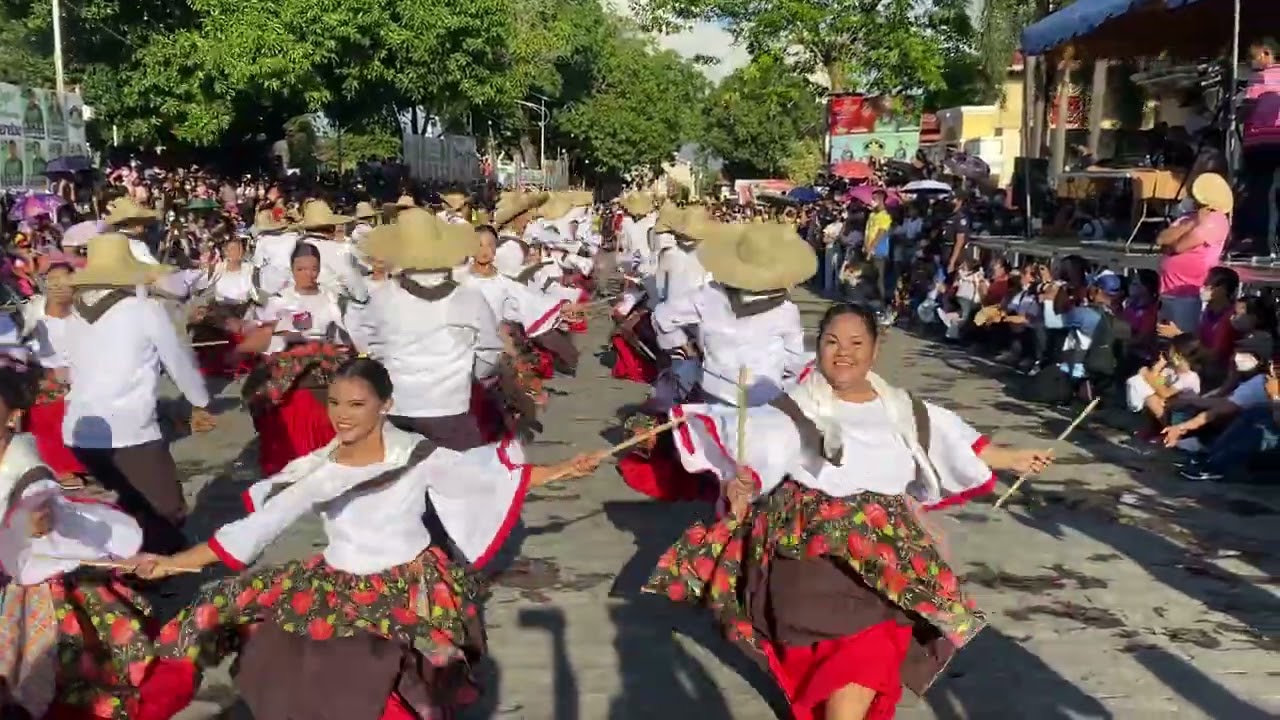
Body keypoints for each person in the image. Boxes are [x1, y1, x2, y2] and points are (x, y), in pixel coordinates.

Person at [123, 357, 603, 720]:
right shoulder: (320, 469)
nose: (342, 415)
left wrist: (565, 468)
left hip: (412, 584)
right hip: (341, 583)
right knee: (243, 629)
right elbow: (254, 530)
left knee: (401, 686)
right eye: (334, 403)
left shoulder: (417, 452)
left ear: (385, 405)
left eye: (357, 404)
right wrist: (171, 563)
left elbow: (484, 476)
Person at [646, 303, 1053, 720]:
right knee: (848, 661)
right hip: (813, 561)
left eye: (856, 343)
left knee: (868, 656)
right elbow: (756, 450)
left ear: (875, 351)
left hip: (889, 562)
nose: (843, 352)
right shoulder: (796, 408)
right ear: (817, 348)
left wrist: (1016, 457)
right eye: (831, 342)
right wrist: (741, 479)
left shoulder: (904, 409)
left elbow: (956, 441)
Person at [0, 348, 184, 720]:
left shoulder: (27, 466)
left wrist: (33, 523)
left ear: (13, 415)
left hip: (26, 569)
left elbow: (40, 507)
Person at [64, 233, 215, 554]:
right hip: (131, 427)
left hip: (81, 428)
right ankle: (159, 573)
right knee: (166, 507)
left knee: (121, 500)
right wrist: (200, 401)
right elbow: (178, 360)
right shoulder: (144, 309)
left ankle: (131, 564)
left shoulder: (74, 314)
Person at [358, 208, 503, 450]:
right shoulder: (468, 297)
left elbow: (370, 347)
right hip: (450, 407)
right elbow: (490, 350)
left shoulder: (382, 296)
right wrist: (466, 377)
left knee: (399, 482)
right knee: (455, 482)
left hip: (396, 406)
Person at [238, 242, 362, 476]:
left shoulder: (331, 298)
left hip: (326, 367)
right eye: (301, 269)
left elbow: (343, 335)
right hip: (290, 370)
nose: (308, 274)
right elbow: (267, 341)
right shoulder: (279, 300)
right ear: (292, 269)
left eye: (313, 268)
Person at [1155, 174, 1232, 334]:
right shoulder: (1188, 218)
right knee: (1163, 339)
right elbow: (1161, 239)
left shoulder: (1216, 219)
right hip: (1167, 291)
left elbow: (1179, 247)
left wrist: (1173, 243)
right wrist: (1192, 222)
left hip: (1188, 294)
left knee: (1182, 338)